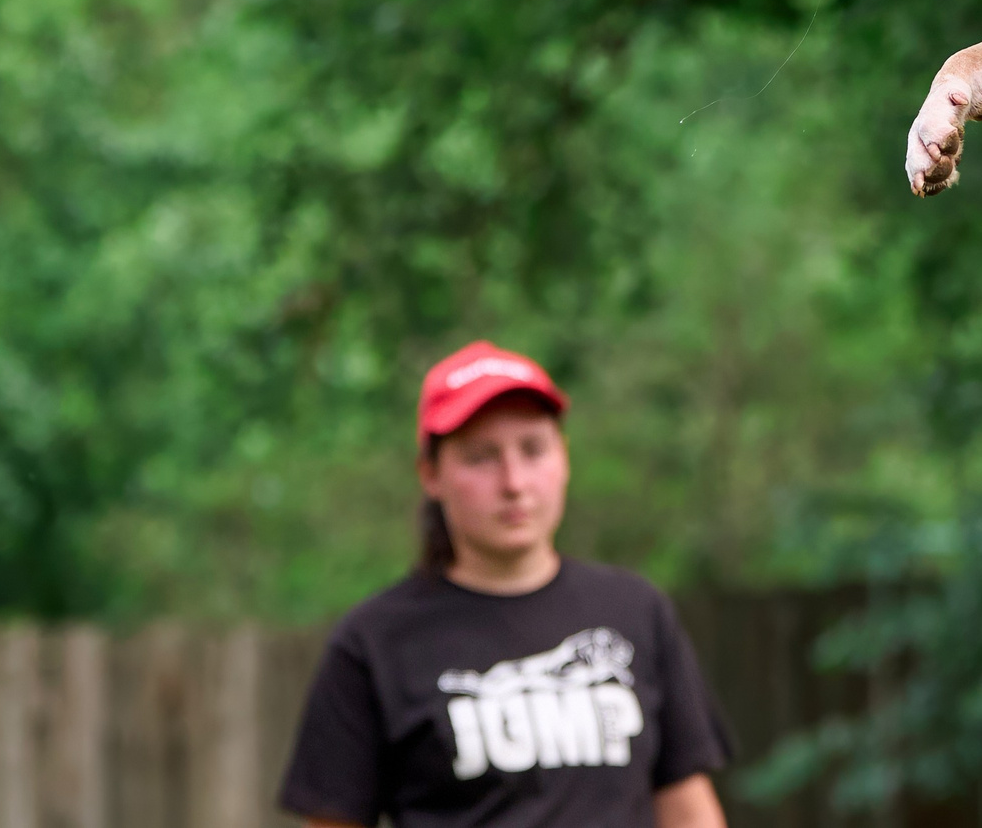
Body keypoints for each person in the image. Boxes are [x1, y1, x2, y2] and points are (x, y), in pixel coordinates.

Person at [280, 341, 735, 828]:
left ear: (564, 459)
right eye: (482, 457)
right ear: (431, 475)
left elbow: (688, 809)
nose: (514, 481)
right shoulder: (374, 642)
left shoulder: (636, 612)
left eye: (534, 450)